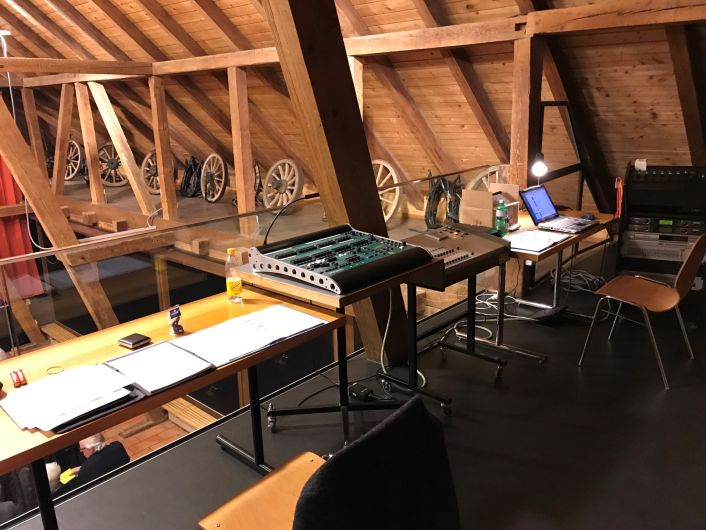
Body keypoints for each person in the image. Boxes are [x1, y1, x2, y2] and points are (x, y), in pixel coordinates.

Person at [57, 434, 129, 495]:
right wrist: (82, 468)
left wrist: (83, 469)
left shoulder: (86, 470)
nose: (81, 452)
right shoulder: (117, 446)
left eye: (82, 449)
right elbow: (103, 462)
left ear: (91, 448)